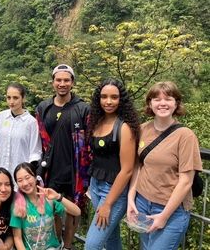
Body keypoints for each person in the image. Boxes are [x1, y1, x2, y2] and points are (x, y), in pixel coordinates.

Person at [127, 81, 202, 250]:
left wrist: (164, 216)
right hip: (142, 204)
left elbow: (185, 181)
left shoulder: (185, 136)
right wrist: (131, 199)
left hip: (171, 210)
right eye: (156, 99)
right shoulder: (142, 129)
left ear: (176, 103)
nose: (162, 103)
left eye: (168, 99)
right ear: (149, 103)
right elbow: (138, 166)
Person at [35, 64, 90, 249]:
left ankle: (67, 246)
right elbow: (39, 139)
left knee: (74, 210)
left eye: (66, 80)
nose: (62, 83)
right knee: (53, 209)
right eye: (58, 80)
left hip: (75, 169)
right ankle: (56, 243)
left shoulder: (83, 108)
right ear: (53, 82)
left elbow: (89, 140)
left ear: (72, 83)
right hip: (51, 169)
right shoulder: (43, 108)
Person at [85, 78, 140, 250]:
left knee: (92, 245)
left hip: (113, 191)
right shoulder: (97, 121)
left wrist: (108, 204)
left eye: (114, 97)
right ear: (98, 99)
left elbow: (127, 170)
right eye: (104, 97)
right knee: (111, 238)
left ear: (121, 99)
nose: (108, 101)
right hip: (95, 186)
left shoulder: (124, 127)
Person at [10, 162, 81, 250]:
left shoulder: (49, 198)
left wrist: (58, 197)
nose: (25, 183)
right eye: (20, 180)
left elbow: (76, 212)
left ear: (36, 177)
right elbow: (18, 238)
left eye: (28, 177)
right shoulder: (17, 206)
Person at [0, 82, 42, 176]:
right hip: (0, 172)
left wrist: (28, 172)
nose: (11, 101)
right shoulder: (0, 117)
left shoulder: (31, 122)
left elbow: (35, 151)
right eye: (8, 97)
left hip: (20, 176)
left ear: (23, 98)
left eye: (15, 98)